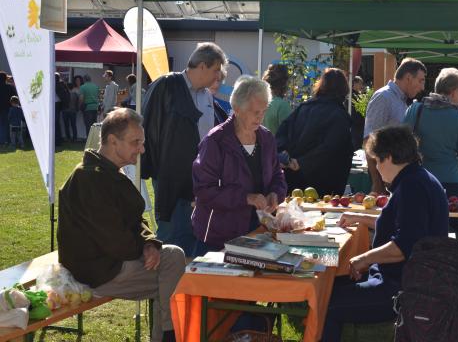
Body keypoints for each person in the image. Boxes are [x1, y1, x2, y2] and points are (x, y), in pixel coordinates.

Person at [57, 108, 185, 342]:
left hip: (112, 261)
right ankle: (169, 335)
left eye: (142, 142)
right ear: (113, 141)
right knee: (175, 274)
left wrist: (149, 243)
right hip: (96, 273)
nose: (142, 149)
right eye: (136, 142)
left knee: (173, 266)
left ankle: (168, 334)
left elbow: (136, 219)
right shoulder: (90, 179)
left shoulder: (107, 171)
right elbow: (116, 242)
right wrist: (146, 247)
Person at [321, 125, 449, 342]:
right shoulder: (416, 178)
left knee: (326, 304)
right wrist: (359, 218)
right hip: (403, 278)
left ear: (388, 158)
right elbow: (400, 225)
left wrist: (363, 258)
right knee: (330, 285)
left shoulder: (411, 187)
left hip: (403, 287)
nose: (377, 168)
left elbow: (404, 246)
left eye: (377, 161)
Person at [141, 42, 227, 256]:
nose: (218, 77)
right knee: (172, 238)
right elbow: (149, 127)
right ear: (203, 66)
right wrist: (151, 168)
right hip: (171, 179)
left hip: (200, 182)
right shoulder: (166, 85)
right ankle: (166, 288)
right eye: (216, 70)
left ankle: (188, 287)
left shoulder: (207, 96)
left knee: (194, 237)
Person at [191, 76, 287, 255]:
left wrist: (276, 193)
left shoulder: (266, 138)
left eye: (263, 111)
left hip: (258, 232)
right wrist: (246, 198)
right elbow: (203, 190)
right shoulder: (215, 141)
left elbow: (277, 175)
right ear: (236, 109)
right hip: (218, 236)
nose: (260, 117)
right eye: (254, 112)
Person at [276, 68, 353, 196]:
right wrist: (301, 163)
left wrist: (285, 157)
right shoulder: (339, 115)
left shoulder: (303, 108)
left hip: (293, 180)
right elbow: (331, 148)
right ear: (344, 89)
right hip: (324, 185)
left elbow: (281, 134)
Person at [403, 67, 458, 199]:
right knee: (448, 219)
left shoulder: (415, 108)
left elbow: (400, 142)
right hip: (449, 181)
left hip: (418, 177)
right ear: (453, 93)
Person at [363, 58, 426, 193]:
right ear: (408, 78)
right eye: (420, 81)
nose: (422, 87)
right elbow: (369, 140)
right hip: (385, 184)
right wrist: (377, 184)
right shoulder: (383, 97)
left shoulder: (401, 100)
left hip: (397, 181)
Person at [262, 63, 292, 135]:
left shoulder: (258, 103)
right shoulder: (282, 105)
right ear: (284, 83)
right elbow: (289, 134)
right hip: (277, 145)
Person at [0, 71, 17, 146]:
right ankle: (5, 140)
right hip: (7, 108)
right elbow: (14, 97)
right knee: (5, 125)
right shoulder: (9, 87)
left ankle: (3, 140)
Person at [350, 76, 366, 151]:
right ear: (355, 84)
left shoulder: (359, 95)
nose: (361, 86)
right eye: (360, 84)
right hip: (355, 126)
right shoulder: (351, 96)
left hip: (359, 126)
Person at [55, 73, 70, 146]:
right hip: (58, 104)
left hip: (56, 104)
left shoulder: (57, 85)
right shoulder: (62, 84)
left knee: (55, 123)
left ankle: (57, 140)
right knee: (56, 123)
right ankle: (57, 140)